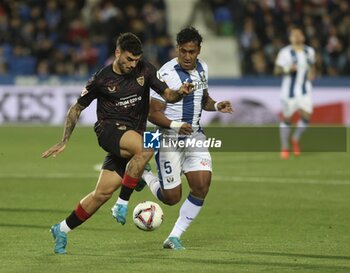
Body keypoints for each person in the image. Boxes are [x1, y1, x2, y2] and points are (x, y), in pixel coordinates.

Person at [42, 32, 193, 254]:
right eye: (129, 59)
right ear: (117, 53)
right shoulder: (101, 79)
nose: (133, 64)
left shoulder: (145, 70)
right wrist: (64, 140)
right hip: (109, 131)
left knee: (101, 194)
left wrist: (180, 93)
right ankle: (124, 200)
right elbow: (76, 108)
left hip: (132, 135)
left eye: (136, 60)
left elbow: (168, 94)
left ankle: (61, 229)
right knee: (147, 146)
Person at [119, 26, 233, 249]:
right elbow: (154, 112)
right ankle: (145, 174)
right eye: (183, 51)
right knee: (171, 198)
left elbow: (203, 99)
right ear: (177, 49)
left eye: (192, 51)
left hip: (194, 136)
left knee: (202, 186)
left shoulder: (203, 69)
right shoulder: (165, 74)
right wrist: (175, 125)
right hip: (168, 137)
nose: (187, 56)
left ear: (199, 50)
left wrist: (217, 105)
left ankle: (174, 237)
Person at [274, 27, 316, 159]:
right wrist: (288, 69)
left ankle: (295, 139)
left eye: (299, 34)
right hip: (289, 92)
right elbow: (276, 71)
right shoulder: (285, 52)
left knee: (307, 116)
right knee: (287, 119)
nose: (297, 37)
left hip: (304, 91)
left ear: (303, 36)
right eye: (294, 35)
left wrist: (312, 73)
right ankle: (285, 147)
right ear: (290, 38)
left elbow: (312, 66)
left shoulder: (310, 51)